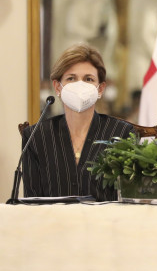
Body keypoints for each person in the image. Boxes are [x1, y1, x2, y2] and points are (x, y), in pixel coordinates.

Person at [21, 43, 135, 201]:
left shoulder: (121, 133)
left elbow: (129, 197)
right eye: (71, 78)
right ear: (58, 87)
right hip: (52, 217)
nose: (80, 85)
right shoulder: (35, 136)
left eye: (88, 79)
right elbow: (32, 201)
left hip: (106, 217)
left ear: (100, 89)